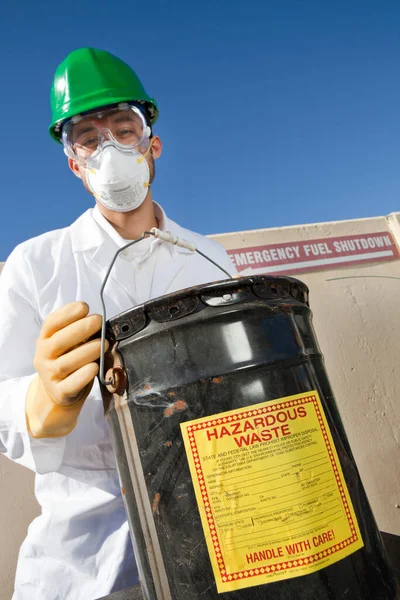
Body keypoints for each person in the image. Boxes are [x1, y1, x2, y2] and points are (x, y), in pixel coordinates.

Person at [0, 47, 236, 600]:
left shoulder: (209, 259)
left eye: (123, 129)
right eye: (88, 137)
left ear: (151, 144)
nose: (108, 148)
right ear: (74, 164)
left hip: (220, 538)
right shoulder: (35, 265)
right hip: (89, 565)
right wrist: (39, 402)